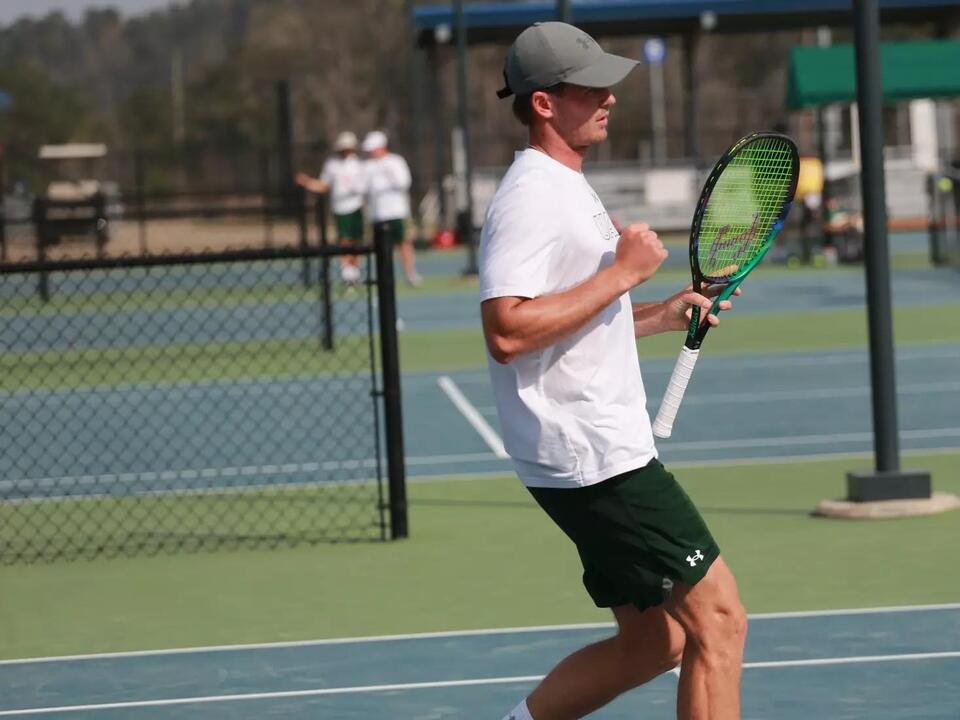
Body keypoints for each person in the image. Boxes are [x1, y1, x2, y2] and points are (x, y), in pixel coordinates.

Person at [481, 22, 747, 720]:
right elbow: (507, 329)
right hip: (597, 458)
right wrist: (626, 271)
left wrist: (659, 311)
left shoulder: (565, 187)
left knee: (653, 641)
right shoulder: (533, 194)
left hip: (585, 454)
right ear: (544, 103)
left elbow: (571, 321)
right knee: (720, 623)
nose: (610, 99)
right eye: (591, 87)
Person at [295, 130, 365, 285]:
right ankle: (347, 273)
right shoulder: (332, 165)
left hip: (356, 206)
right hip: (341, 208)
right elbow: (324, 185)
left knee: (357, 240)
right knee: (344, 240)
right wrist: (307, 182)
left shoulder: (359, 164)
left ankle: (354, 271)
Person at [360, 130, 422, 287]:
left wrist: (387, 177)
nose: (370, 152)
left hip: (397, 211)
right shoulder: (367, 166)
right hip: (377, 214)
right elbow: (363, 188)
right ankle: (384, 276)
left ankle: (410, 274)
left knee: (404, 243)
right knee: (381, 247)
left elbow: (404, 183)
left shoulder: (395, 161)